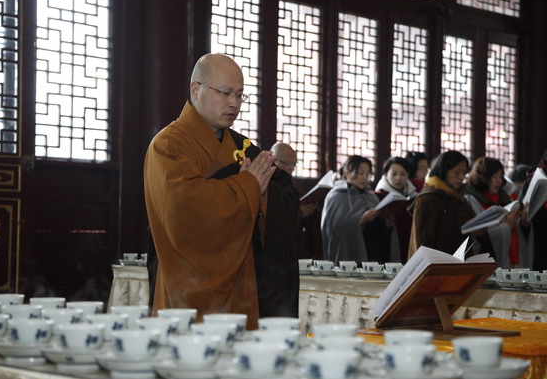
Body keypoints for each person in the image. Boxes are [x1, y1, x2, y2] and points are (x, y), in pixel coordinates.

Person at [143, 54, 299, 330]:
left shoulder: (241, 147)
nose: (234, 103)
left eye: (240, 95)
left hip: (241, 282)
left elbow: (274, 198)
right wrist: (249, 186)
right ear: (196, 90)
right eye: (225, 93)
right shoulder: (168, 144)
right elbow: (185, 211)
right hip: (189, 288)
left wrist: (262, 195)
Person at [321, 155, 399, 263]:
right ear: (347, 173)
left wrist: (387, 223)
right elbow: (333, 230)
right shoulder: (336, 197)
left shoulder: (371, 196)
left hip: (375, 253)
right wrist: (360, 220)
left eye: (367, 174)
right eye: (360, 173)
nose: (364, 177)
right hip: (351, 254)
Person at [408, 150, 486, 258]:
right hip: (436, 264)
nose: (461, 177)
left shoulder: (460, 198)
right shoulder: (427, 199)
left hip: (460, 262)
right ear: (443, 172)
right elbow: (423, 240)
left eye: (463, 173)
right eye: (456, 172)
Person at [464, 157, 530, 268]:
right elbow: (480, 238)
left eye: (500, 176)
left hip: (513, 260)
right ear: (482, 177)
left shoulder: (505, 199)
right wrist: (506, 226)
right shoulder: (470, 201)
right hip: (488, 264)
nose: (499, 181)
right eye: (494, 176)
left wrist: (523, 222)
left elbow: (517, 231)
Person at [270, 142, 322, 258]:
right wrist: (299, 214)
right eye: (287, 163)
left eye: (294, 164)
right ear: (272, 159)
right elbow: (270, 218)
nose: (291, 168)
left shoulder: (293, 185)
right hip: (275, 249)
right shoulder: (266, 184)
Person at [374, 157, 417, 263]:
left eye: (403, 174)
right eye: (394, 174)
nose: (398, 178)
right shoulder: (376, 197)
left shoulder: (415, 197)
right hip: (386, 246)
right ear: (385, 175)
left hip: (410, 243)